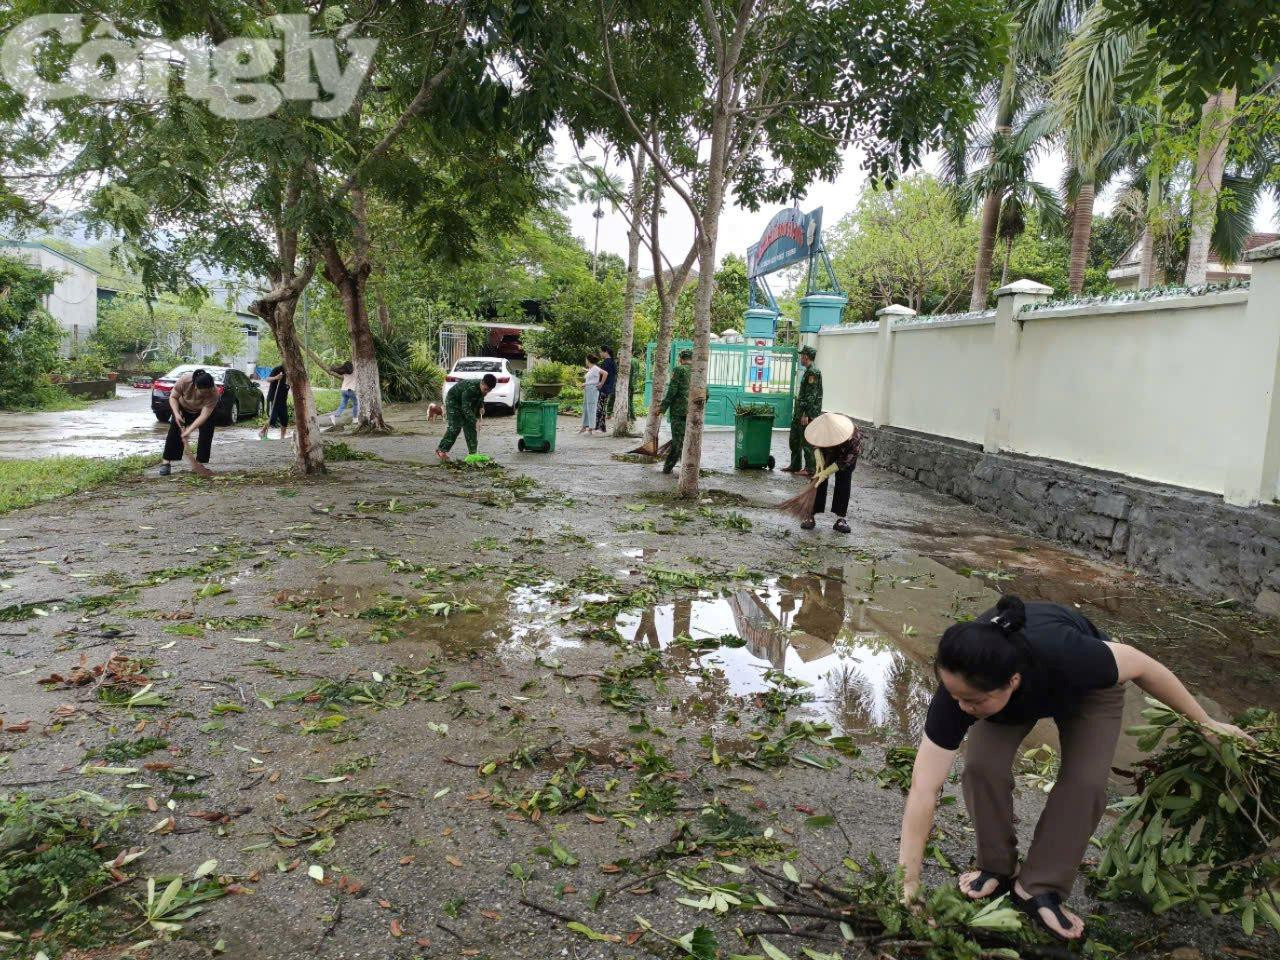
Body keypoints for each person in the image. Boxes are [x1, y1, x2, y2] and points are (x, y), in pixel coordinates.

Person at [897, 595, 1253, 942]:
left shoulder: (1071, 655)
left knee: (1085, 784)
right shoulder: (964, 691)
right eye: (955, 696)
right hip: (1005, 694)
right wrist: (909, 883)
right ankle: (996, 865)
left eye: (972, 701)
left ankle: (1038, 887)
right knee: (980, 766)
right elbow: (924, 788)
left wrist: (1206, 724)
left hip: (1087, 692)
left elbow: (1145, 665)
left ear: (1013, 682)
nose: (962, 708)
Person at [799, 412, 859, 533]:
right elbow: (812, 439)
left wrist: (826, 472)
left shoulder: (853, 436)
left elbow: (844, 461)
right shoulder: (820, 425)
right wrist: (818, 455)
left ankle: (840, 519)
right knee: (818, 479)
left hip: (845, 455)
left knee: (844, 479)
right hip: (826, 450)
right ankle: (810, 514)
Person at [160, 368, 220, 477]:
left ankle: (200, 463)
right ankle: (166, 462)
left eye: (209, 391)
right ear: (196, 387)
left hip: (201, 411)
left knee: (207, 433)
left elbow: (204, 415)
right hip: (182, 407)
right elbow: (173, 397)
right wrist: (177, 414)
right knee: (174, 432)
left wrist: (189, 430)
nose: (207, 394)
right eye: (204, 392)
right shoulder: (185, 380)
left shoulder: (214, 393)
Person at [437, 373, 495, 461]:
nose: (486, 392)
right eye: (485, 389)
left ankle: (473, 453)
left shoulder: (482, 389)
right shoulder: (470, 388)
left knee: (470, 426)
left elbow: (480, 398)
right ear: (482, 383)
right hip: (454, 401)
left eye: (489, 390)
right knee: (455, 427)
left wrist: (481, 406)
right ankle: (441, 450)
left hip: (466, 403)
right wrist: (476, 421)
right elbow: (465, 408)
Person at [784, 346, 822, 476]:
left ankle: (810, 469)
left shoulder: (813, 372)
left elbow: (811, 396)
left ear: (806, 356)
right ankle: (795, 465)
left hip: (807, 413)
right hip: (800, 412)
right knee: (794, 439)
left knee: (806, 441)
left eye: (802, 356)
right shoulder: (808, 371)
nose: (801, 358)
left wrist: (806, 414)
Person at [658, 349, 691, 474]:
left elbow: (672, 391)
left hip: (679, 412)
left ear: (681, 359)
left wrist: (662, 408)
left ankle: (668, 468)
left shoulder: (679, 369)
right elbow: (706, 392)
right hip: (692, 412)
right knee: (687, 441)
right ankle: (687, 468)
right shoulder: (698, 371)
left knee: (677, 441)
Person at [258, 364, 288, 440]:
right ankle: (262, 432)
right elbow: (268, 379)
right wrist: (276, 377)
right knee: (272, 418)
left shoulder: (292, 371)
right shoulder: (278, 369)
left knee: (284, 418)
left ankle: (282, 438)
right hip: (273, 398)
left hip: (283, 399)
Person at [329, 361, 358, 425]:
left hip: (343, 390)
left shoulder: (344, 372)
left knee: (343, 405)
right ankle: (355, 419)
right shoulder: (355, 371)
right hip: (350, 390)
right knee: (356, 404)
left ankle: (334, 416)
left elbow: (341, 370)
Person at [596, 346, 617, 432]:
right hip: (609, 387)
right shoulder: (612, 361)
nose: (600, 354)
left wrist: (601, 383)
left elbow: (605, 374)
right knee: (602, 406)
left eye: (601, 352)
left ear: (606, 352)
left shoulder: (607, 362)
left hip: (604, 387)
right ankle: (602, 427)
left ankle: (599, 427)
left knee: (600, 407)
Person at [581, 354, 603, 434]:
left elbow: (605, 373)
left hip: (593, 391)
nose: (585, 361)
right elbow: (592, 378)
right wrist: (585, 384)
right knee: (586, 408)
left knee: (591, 409)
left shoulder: (595, 368)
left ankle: (590, 428)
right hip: (588, 390)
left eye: (586, 359)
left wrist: (600, 384)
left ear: (588, 360)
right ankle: (584, 427)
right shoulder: (591, 369)